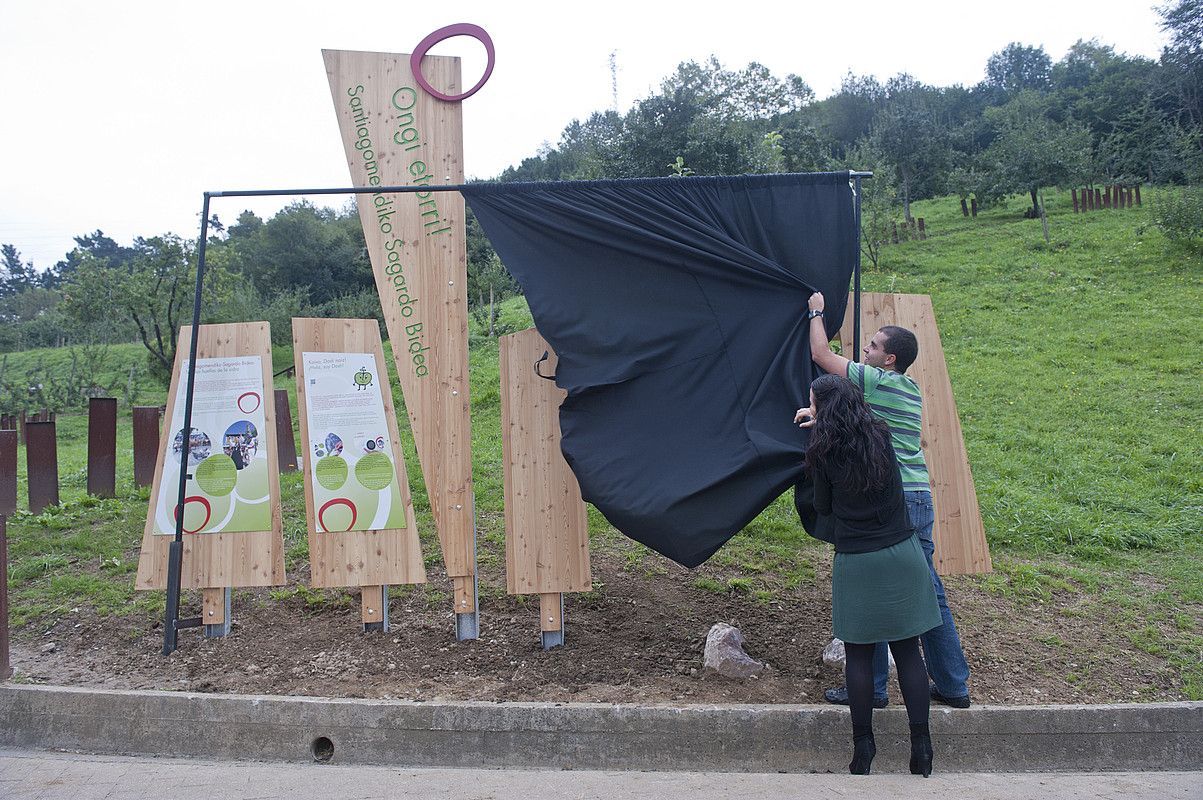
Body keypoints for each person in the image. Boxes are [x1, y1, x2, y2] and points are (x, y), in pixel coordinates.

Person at [803, 291, 972, 709]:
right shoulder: (908, 388)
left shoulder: (875, 379)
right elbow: (863, 421)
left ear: (889, 359)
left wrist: (816, 311)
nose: (865, 349)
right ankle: (948, 684)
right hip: (919, 496)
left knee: (891, 590)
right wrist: (820, 417)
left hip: (897, 502)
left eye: (873, 346)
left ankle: (882, 688)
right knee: (926, 592)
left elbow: (822, 355)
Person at [794, 374, 939, 776]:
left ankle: (863, 749)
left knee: (859, 655)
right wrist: (821, 414)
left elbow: (822, 505)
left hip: (857, 559)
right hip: (901, 553)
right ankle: (922, 748)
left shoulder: (822, 452)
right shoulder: (880, 435)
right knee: (908, 651)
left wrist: (815, 432)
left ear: (822, 410)